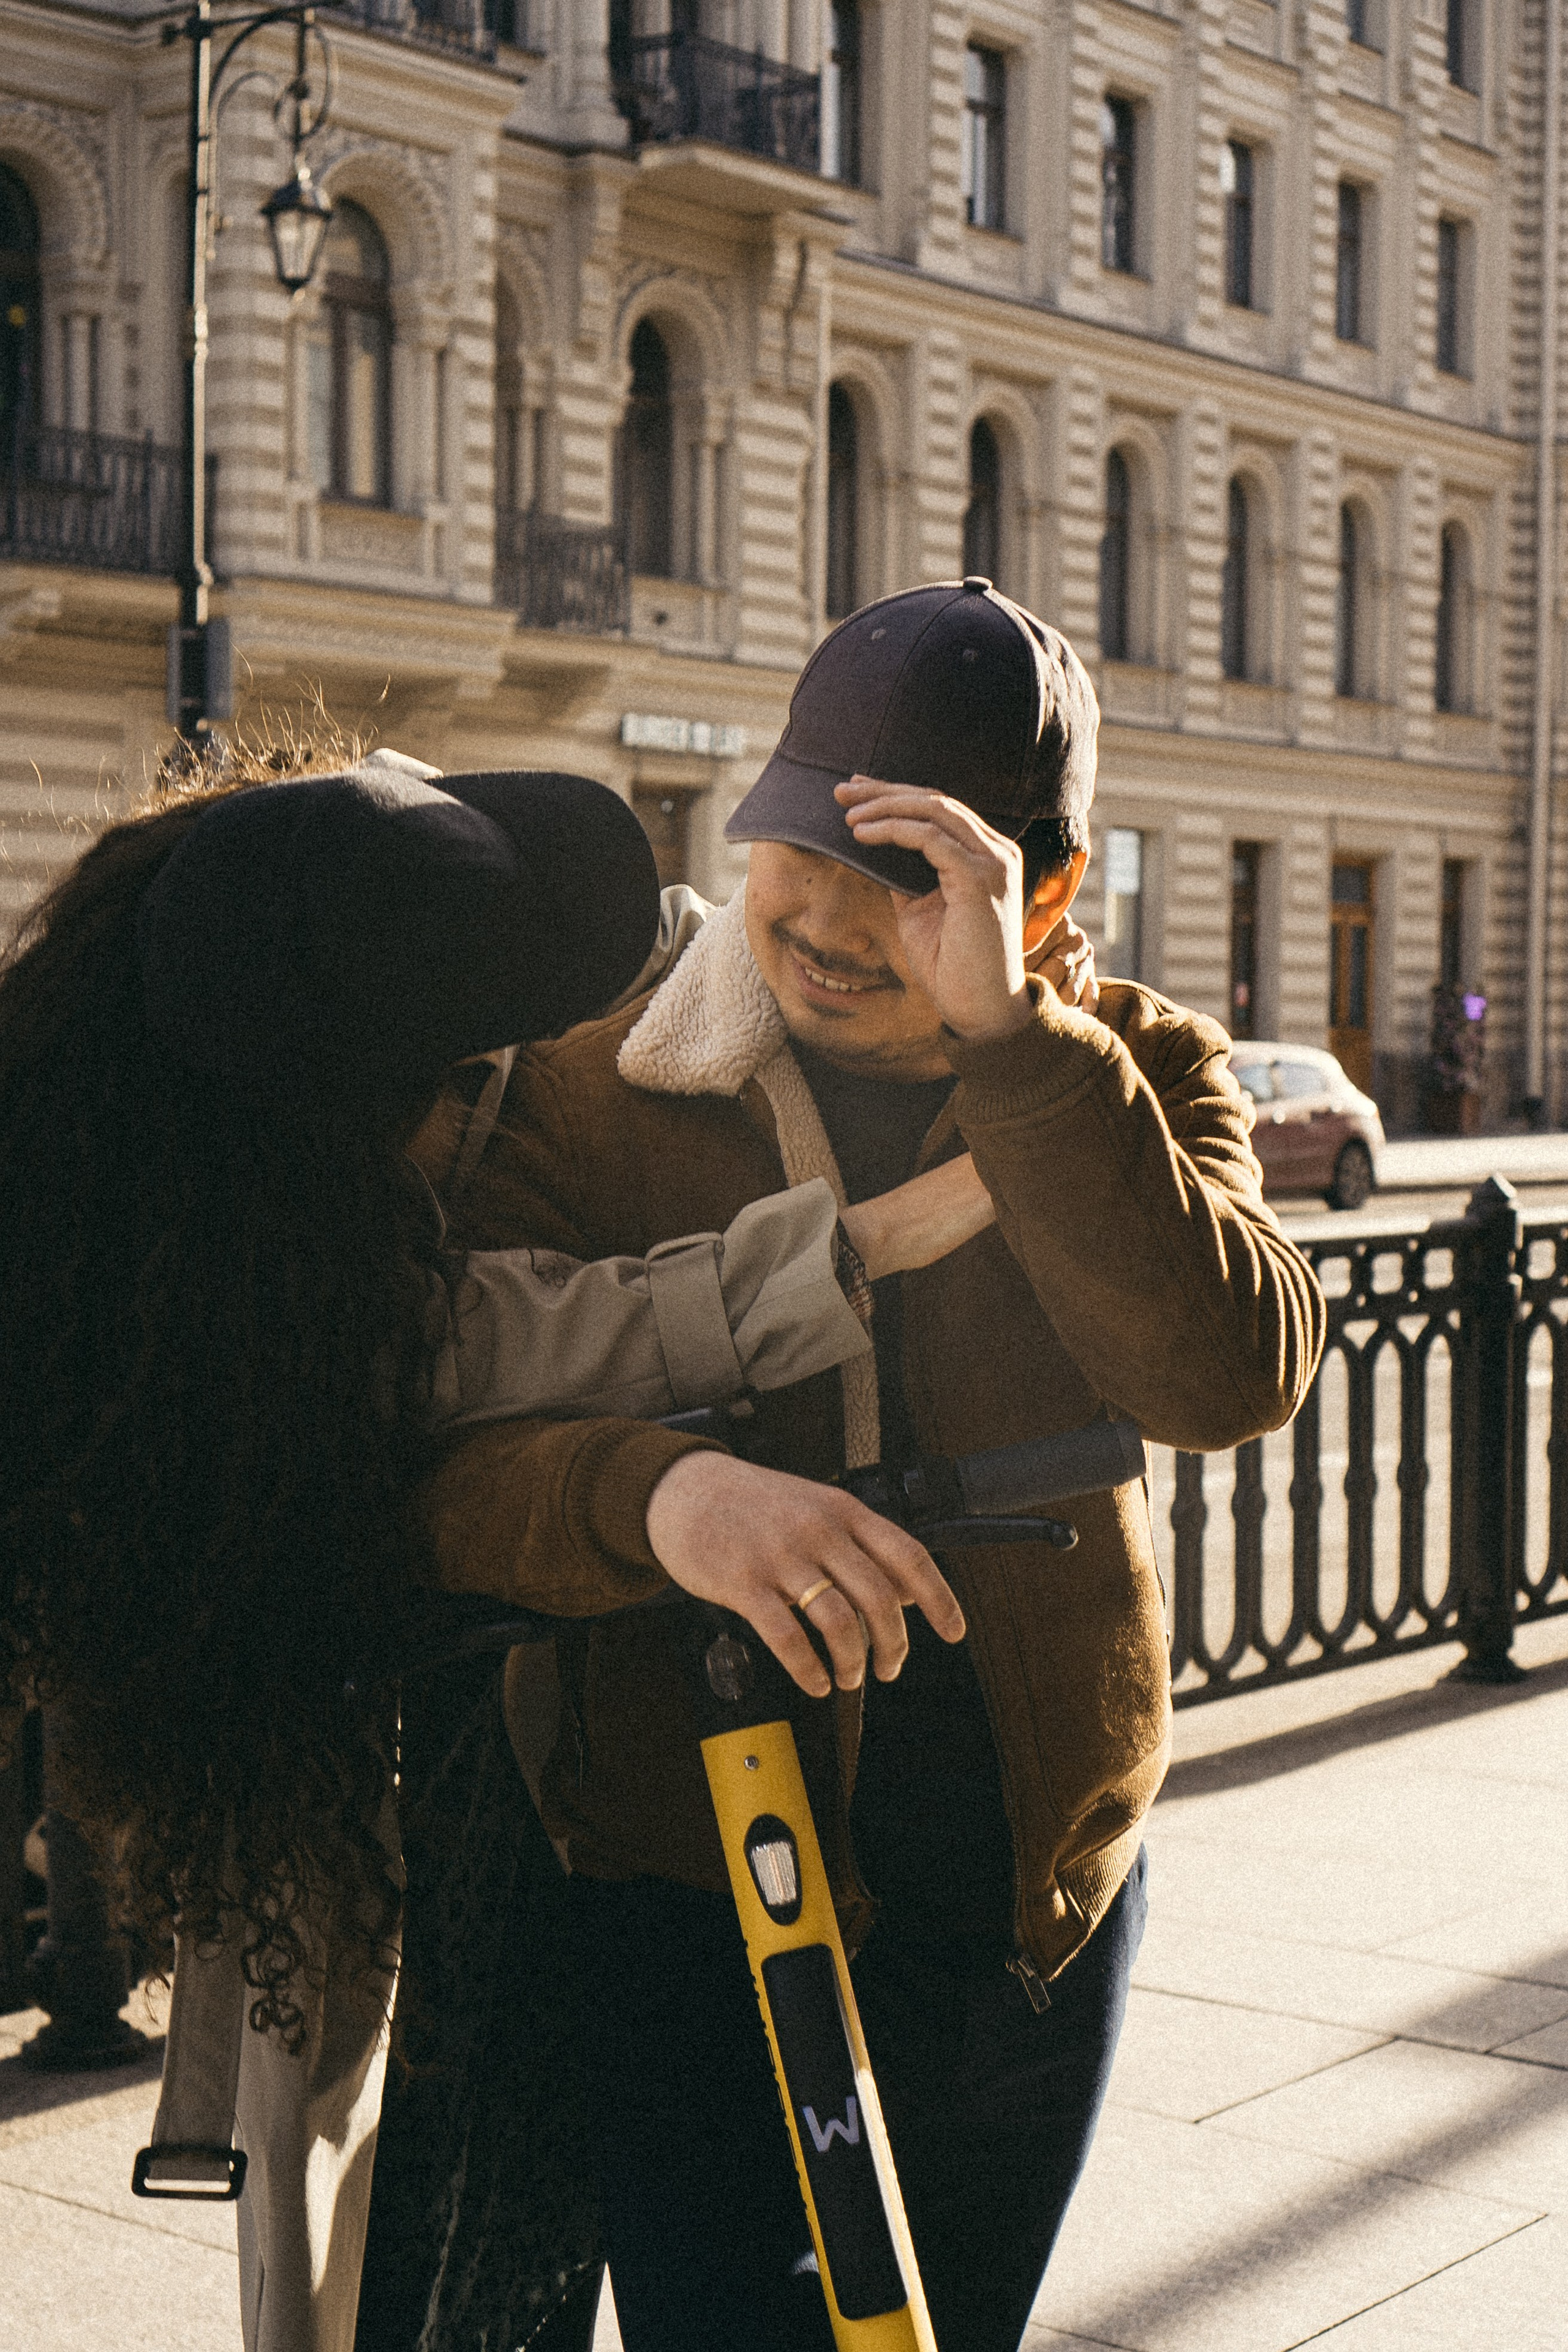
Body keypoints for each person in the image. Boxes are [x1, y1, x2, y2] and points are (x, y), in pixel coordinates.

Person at [0, 751, 1001, 2352]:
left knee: (324, 2099)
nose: (502, 1087)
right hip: (239, 1677)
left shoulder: (264, 928)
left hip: (304, 1690)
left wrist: (885, 1216)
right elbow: (489, 1342)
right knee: (301, 2080)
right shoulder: (220, 1276)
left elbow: (542, 1310)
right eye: (470, 1079)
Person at [426, 580, 1327, 2352]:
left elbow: (1229, 1373)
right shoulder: (597, 1077)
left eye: (904, 870)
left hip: (1018, 1890)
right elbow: (444, 1456)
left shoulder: (1128, 1069)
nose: (826, 917)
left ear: (1037, 887)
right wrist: (661, 1497)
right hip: (681, 1889)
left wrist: (1017, 1048)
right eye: (798, 843)